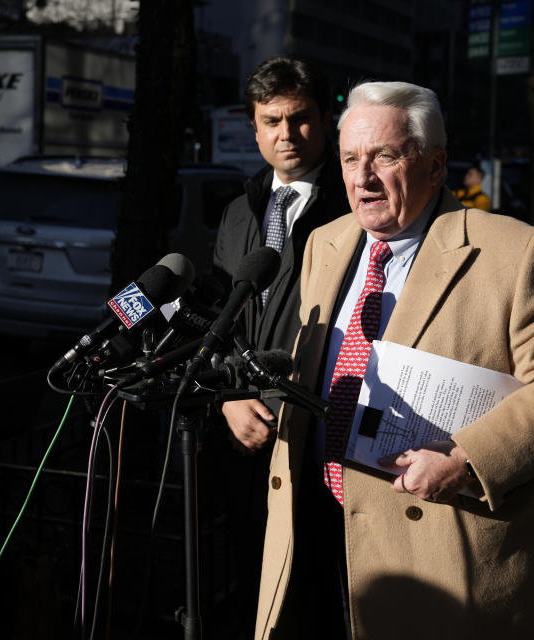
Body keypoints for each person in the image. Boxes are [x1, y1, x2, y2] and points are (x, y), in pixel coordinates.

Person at [254, 81, 534, 640]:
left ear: (434, 164)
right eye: (351, 157)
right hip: (313, 533)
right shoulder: (324, 243)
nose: (363, 176)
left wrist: (467, 459)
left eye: (385, 156)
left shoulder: (515, 252)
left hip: (433, 552)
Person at [210, 55, 347, 636]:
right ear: (255, 128)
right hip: (247, 430)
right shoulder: (240, 210)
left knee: (321, 590)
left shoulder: (356, 204)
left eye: (301, 118)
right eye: (272, 121)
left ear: (327, 118)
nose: (286, 135)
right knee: (252, 582)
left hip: (321, 430)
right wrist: (226, 397)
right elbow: (219, 320)